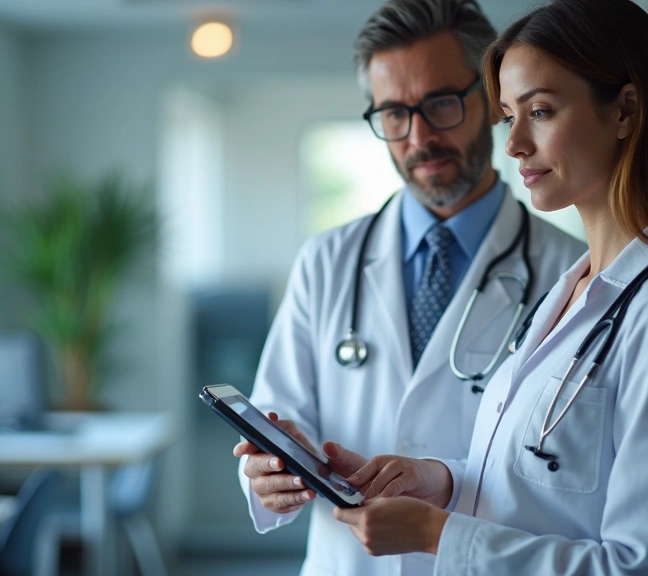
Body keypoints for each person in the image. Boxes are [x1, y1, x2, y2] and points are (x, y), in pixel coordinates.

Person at [328, 1, 648, 574]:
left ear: (625, 111)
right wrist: (440, 480)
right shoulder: (574, 288)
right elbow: (542, 484)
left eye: (541, 112)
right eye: (507, 117)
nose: (515, 144)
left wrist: (437, 535)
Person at [232, 0, 585, 574]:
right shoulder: (327, 261)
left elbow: (567, 480)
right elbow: (277, 412)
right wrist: (267, 473)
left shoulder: (572, 272)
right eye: (394, 113)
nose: (419, 136)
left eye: (441, 103)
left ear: (492, 99)